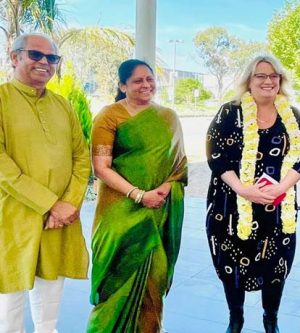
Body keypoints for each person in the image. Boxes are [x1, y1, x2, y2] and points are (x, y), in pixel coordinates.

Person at [205, 55, 300, 333]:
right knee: (232, 263)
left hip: (277, 208)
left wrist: (282, 186)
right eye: (260, 76)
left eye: (273, 76)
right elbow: (216, 155)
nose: (268, 81)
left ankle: (270, 319)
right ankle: (236, 319)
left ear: (280, 81)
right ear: (249, 81)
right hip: (231, 205)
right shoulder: (230, 112)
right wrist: (243, 189)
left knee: (276, 266)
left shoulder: (293, 114)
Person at [87, 59, 187, 332]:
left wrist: (165, 189)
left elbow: (178, 166)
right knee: (115, 283)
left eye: (150, 79)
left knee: (154, 281)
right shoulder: (109, 116)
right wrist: (139, 195)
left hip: (158, 211)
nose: (146, 85)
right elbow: (101, 167)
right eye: (137, 81)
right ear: (122, 85)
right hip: (119, 213)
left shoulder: (168, 116)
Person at [0, 33, 90, 333]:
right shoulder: (1, 100)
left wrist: (69, 204)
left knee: (51, 285)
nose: (45, 63)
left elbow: (81, 156)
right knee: (10, 290)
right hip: (15, 213)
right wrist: (51, 203)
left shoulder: (63, 105)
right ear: (14, 57)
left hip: (59, 217)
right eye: (35, 55)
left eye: (52, 58)